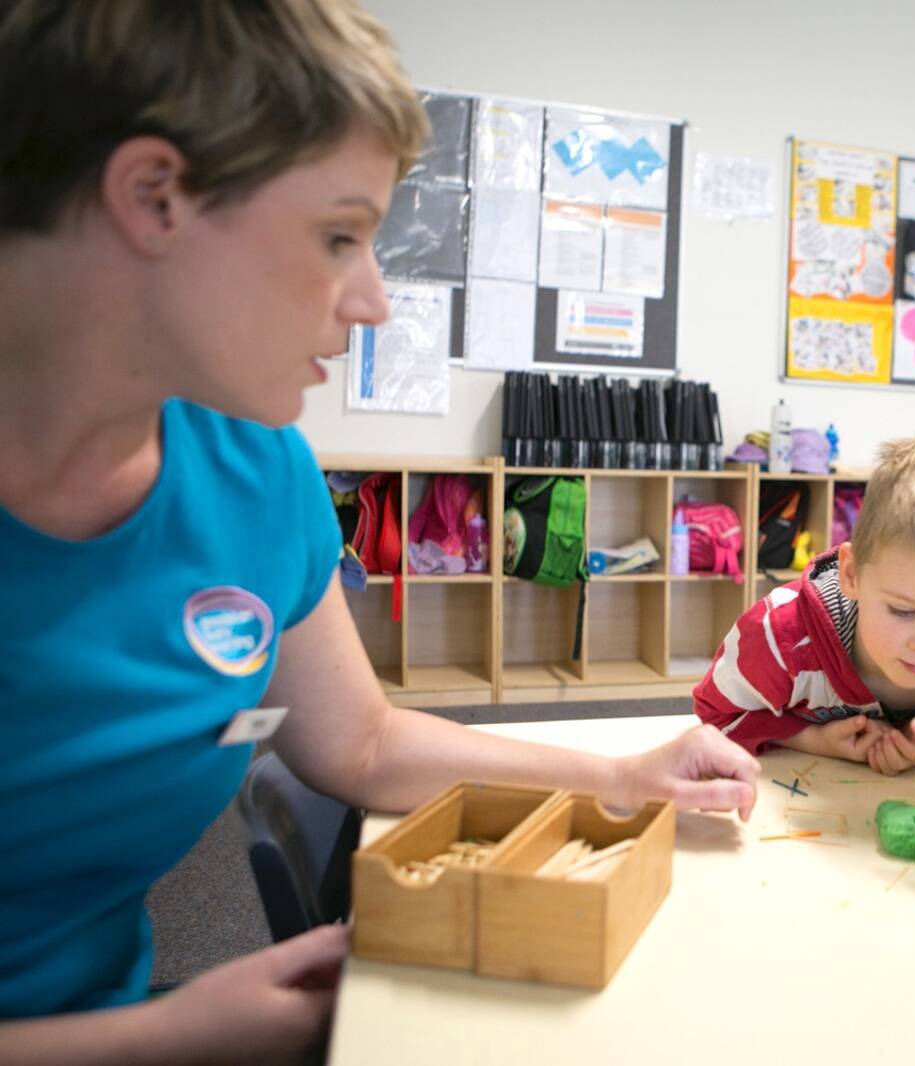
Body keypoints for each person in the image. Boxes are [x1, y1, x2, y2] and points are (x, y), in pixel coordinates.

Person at [0, 2, 758, 1061]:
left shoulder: (255, 471)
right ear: (152, 197)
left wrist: (625, 776)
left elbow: (359, 740)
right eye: (338, 236)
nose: (375, 302)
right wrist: (159, 1033)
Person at [694, 434, 915, 775]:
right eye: (903, 611)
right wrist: (810, 739)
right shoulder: (777, 637)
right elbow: (715, 714)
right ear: (851, 574)